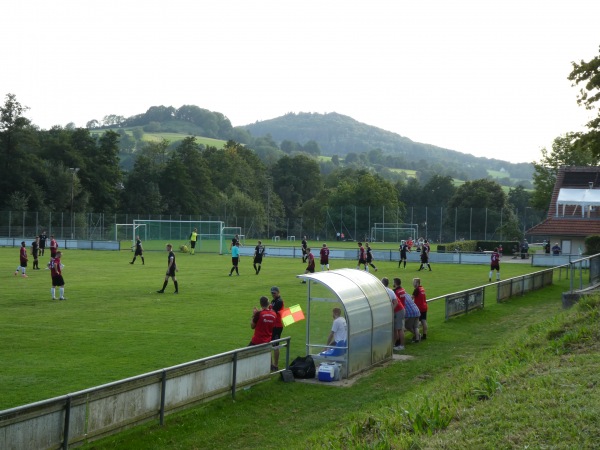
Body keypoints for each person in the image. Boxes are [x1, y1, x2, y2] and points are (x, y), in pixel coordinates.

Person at [269, 286, 285, 371]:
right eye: (272, 293)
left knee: (275, 345)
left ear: (278, 293)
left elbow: (272, 311)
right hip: (273, 325)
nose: (273, 295)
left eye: (274, 293)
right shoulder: (273, 301)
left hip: (278, 326)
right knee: (270, 344)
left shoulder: (279, 301)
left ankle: (275, 365)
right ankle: (271, 364)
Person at [392, 277, 407, 350]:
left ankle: (401, 345)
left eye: (393, 282)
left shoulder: (395, 291)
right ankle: (397, 343)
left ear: (395, 283)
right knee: (398, 328)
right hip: (402, 309)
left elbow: (395, 301)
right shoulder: (403, 289)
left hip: (398, 310)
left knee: (399, 329)